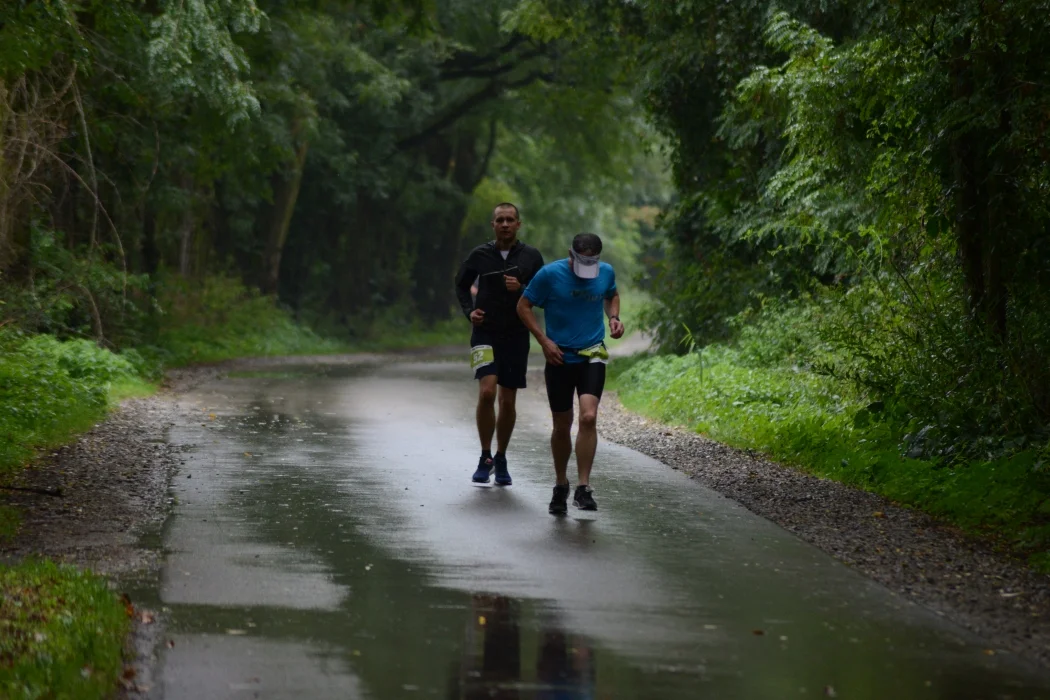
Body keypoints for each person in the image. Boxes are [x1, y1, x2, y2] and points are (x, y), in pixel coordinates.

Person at [517, 233, 624, 515]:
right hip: (560, 356)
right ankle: (560, 484)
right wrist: (544, 341)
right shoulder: (550, 274)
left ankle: (583, 488)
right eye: (581, 260)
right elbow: (523, 306)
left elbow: (611, 293)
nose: (587, 266)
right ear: (570, 253)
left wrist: (613, 317)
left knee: (589, 416)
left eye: (592, 261)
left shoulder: (605, 272)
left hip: (592, 352)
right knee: (562, 425)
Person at [455, 203, 545, 486]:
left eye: (510, 220)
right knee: (486, 393)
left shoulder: (531, 256)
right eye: (500, 220)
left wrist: (522, 289)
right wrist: (469, 311)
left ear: (519, 224)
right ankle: (485, 456)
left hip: (517, 334)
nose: (505, 224)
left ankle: (502, 456)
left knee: (508, 399)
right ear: (492, 225)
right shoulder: (480, 254)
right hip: (485, 333)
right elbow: (461, 284)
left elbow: (544, 294)